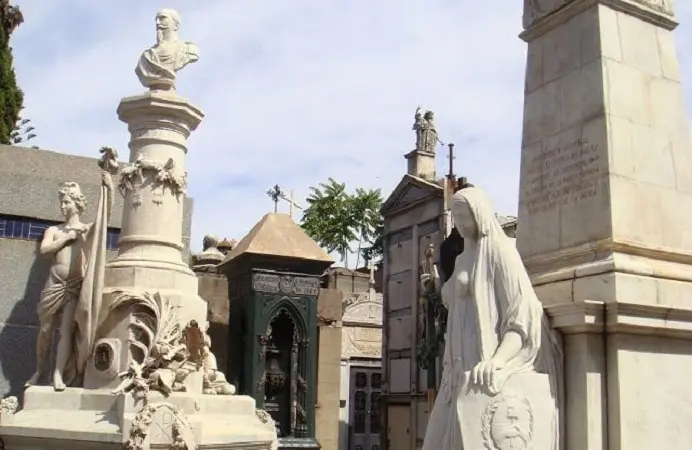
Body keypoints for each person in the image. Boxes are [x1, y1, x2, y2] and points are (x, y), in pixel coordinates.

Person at [420, 186, 562, 450]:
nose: (460, 224)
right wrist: (438, 288)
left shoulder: (500, 252)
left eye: (466, 216)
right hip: (456, 367)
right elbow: (457, 303)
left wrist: (499, 360)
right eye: (457, 216)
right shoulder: (463, 258)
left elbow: (522, 312)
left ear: (480, 213)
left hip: (481, 359)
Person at [26, 171, 114, 391]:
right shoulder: (54, 230)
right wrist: (66, 238)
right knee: (45, 329)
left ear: (77, 203)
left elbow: (104, 219)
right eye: (61, 202)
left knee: (66, 331)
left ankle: (58, 374)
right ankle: (40, 369)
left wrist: (108, 188)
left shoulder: (86, 229)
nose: (63, 206)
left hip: (75, 284)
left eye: (66, 202)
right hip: (54, 282)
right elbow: (45, 250)